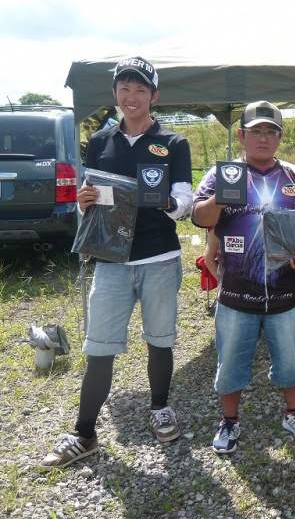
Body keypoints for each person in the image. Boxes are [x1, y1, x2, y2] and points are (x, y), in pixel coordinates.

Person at [41, 56, 193, 469]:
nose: (132, 96)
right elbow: (91, 196)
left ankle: (160, 407)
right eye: (124, 89)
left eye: (140, 89)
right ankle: (84, 432)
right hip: (110, 260)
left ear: (154, 96)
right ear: (115, 94)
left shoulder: (174, 143)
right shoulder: (99, 141)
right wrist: (83, 200)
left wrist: (168, 203)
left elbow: (185, 201)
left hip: (160, 257)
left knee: (160, 340)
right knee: (99, 348)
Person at [193, 100, 295, 453]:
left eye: (271, 131)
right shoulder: (222, 175)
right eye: (256, 131)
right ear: (241, 136)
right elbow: (199, 217)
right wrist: (221, 198)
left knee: (290, 358)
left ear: (280, 137)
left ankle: (293, 412)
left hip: (287, 294)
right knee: (231, 361)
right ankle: (229, 421)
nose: (264, 138)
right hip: (236, 294)